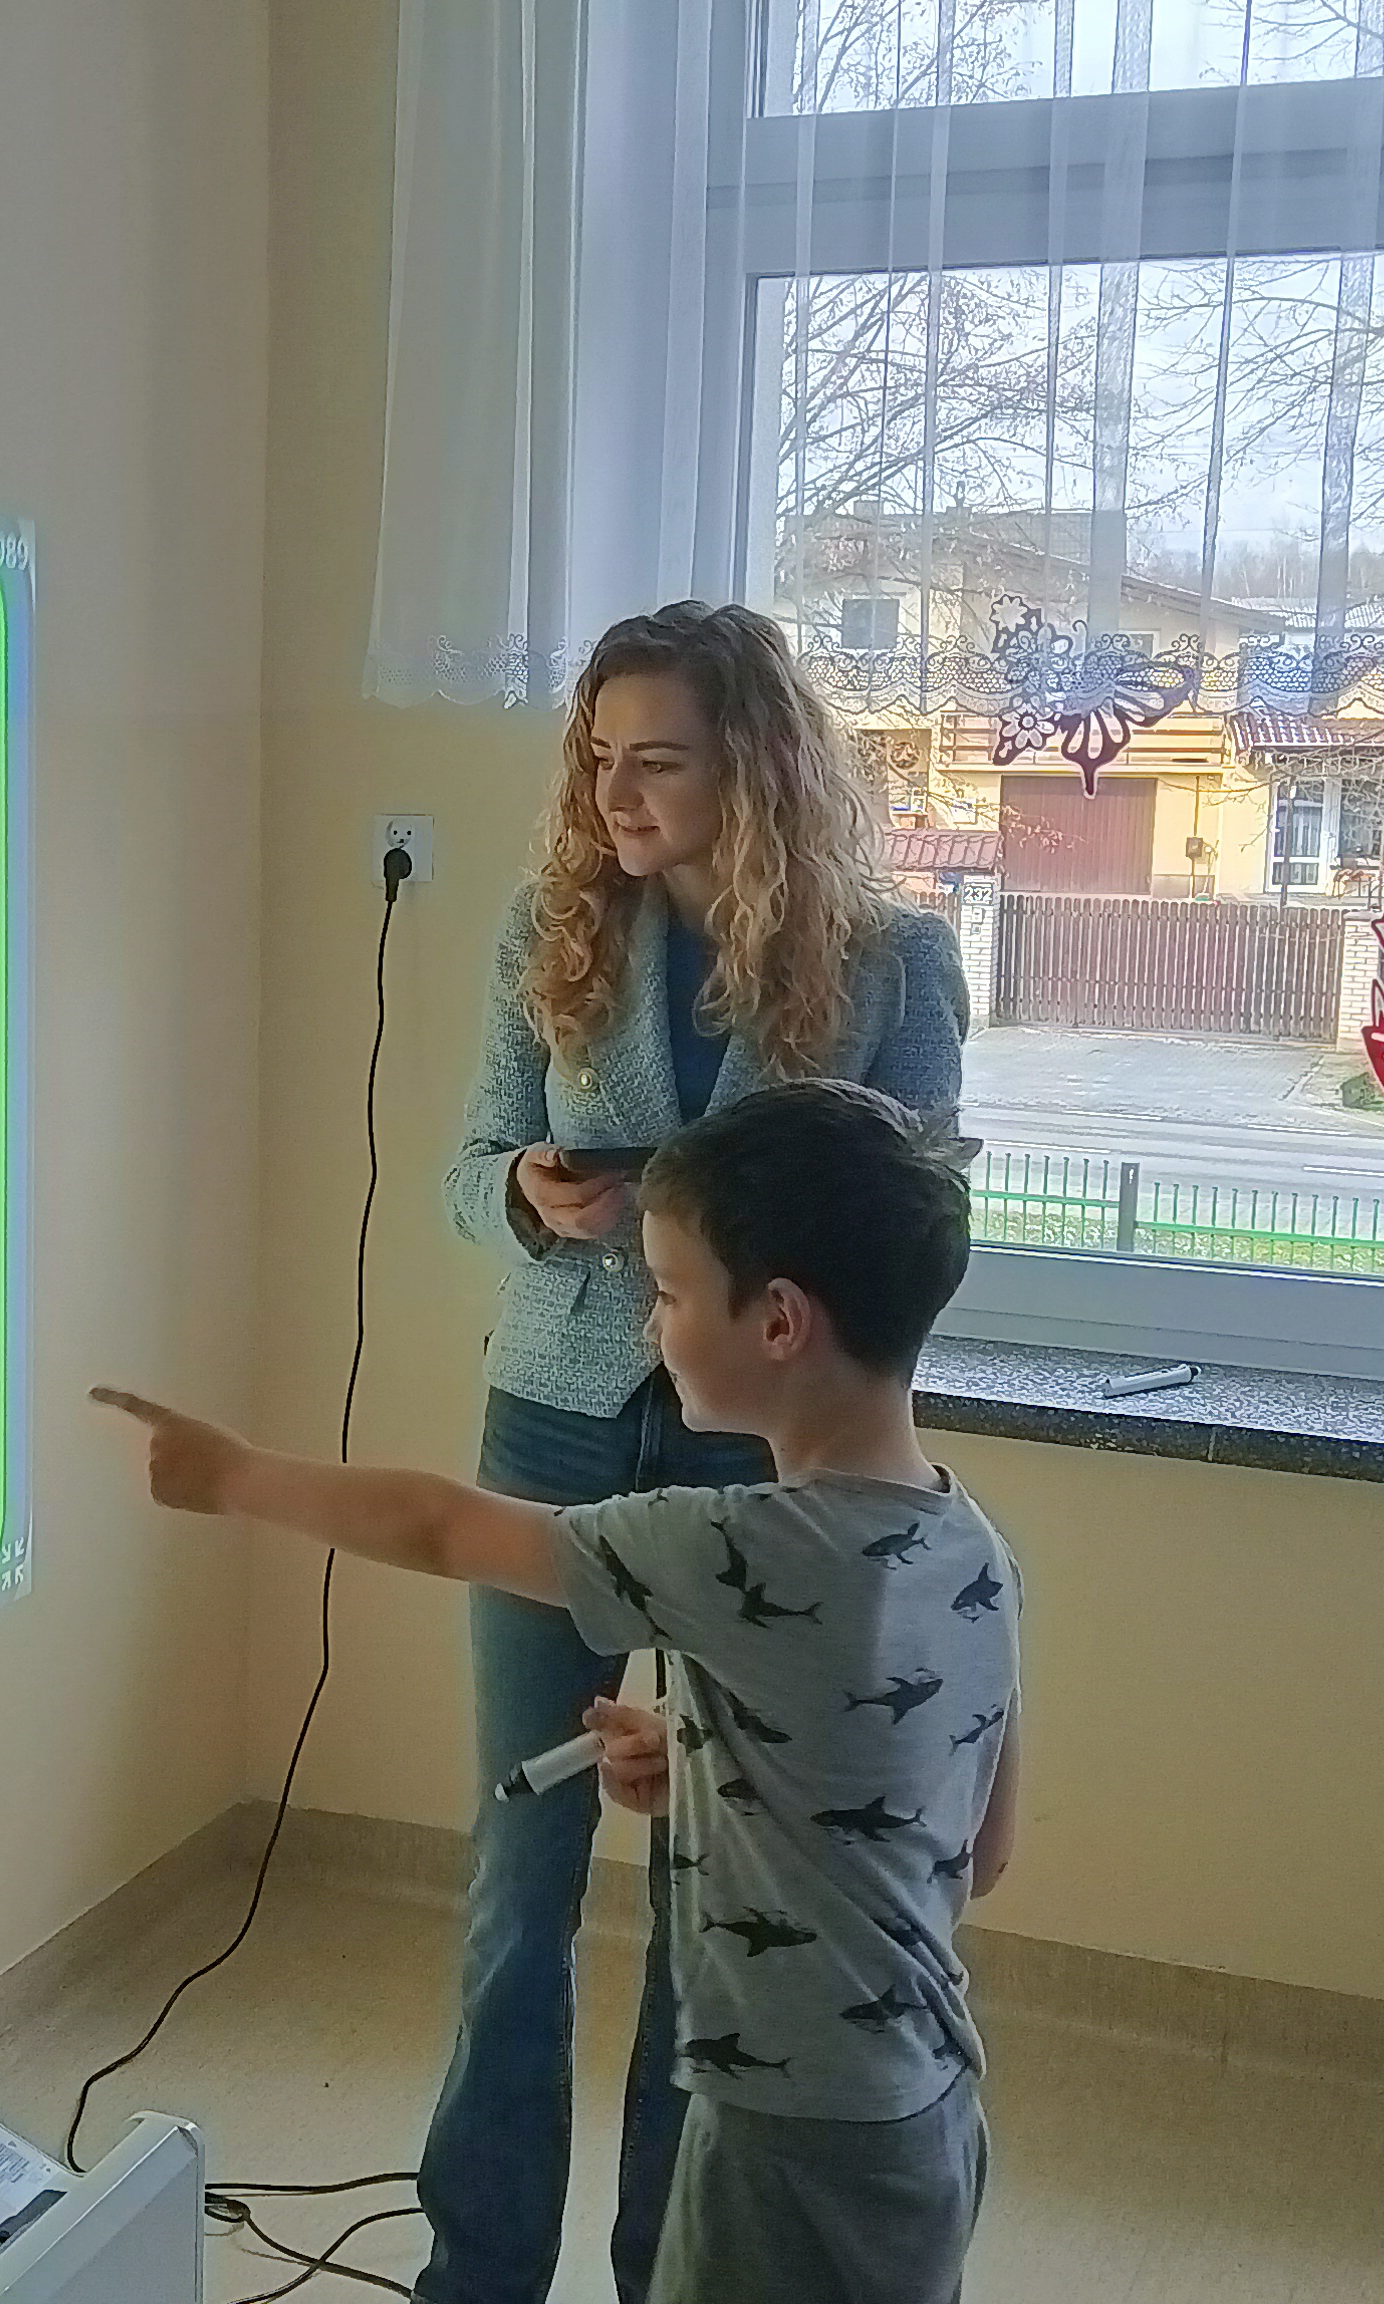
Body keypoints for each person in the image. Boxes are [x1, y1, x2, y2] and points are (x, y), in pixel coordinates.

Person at [99, 1078, 1017, 2304]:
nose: (649, 1328)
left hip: (784, 2135)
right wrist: (720, 1768)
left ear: (779, 1322)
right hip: (926, 2108)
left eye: (670, 1295)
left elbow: (444, 1527)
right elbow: (970, 1846)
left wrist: (234, 1477)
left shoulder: (735, 1549)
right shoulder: (972, 1548)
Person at [434, 600, 966, 2303]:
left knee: (711, 1899)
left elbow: (922, 1220)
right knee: (520, 1884)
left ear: (758, 765)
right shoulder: (552, 930)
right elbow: (465, 1173)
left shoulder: (891, 961)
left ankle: (674, 2269)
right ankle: (476, 2272)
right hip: (555, 1418)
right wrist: (526, 1193)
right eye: (599, 758)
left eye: (657, 759)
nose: (616, 794)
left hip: (769, 1461)